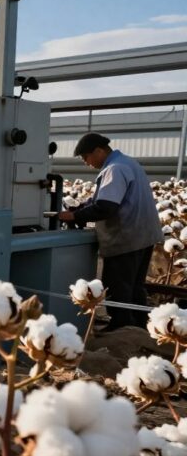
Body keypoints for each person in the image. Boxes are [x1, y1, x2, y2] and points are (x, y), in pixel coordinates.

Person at [58, 133, 162, 330]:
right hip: (143, 235)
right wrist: (79, 208)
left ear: (98, 151)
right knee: (134, 285)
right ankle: (138, 326)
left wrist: (74, 217)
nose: (85, 162)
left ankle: (121, 326)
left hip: (127, 237)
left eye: (86, 157)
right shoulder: (128, 163)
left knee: (117, 285)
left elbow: (106, 206)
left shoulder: (114, 169)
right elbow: (101, 200)